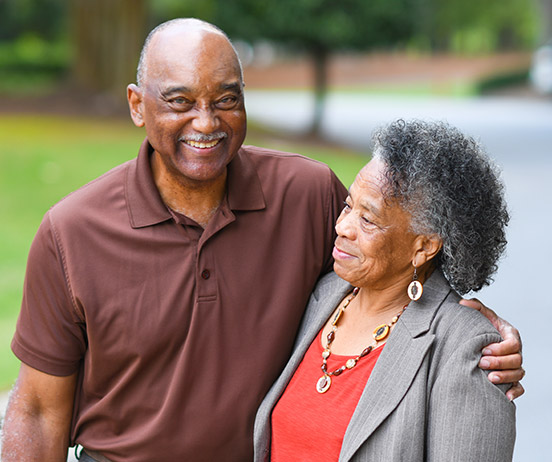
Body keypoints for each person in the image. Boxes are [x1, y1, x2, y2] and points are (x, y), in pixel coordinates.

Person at [1, 19, 522, 462]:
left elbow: (394, 255)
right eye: (179, 101)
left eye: (226, 100)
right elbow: (38, 410)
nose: (206, 122)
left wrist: (474, 328)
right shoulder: (70, 231)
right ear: (138, 105)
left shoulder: (308, 195)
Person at [254, 119, 517, 461]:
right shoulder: (320, 296)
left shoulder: (467, 350)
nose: (342, 226)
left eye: (368, 220)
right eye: (349, 206)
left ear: (423, 247)